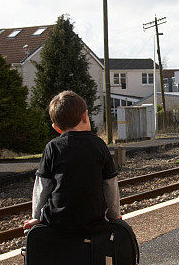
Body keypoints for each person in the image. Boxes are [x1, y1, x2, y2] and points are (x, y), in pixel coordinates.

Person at [23, 91, 120, 231]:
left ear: (56, 128)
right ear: (85, 116)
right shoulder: (99, 145)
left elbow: (42, 185)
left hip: (58, 221)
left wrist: (36, 216)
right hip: (94, 220)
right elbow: (110, 184)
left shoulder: (52, 147)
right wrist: (114, 215)